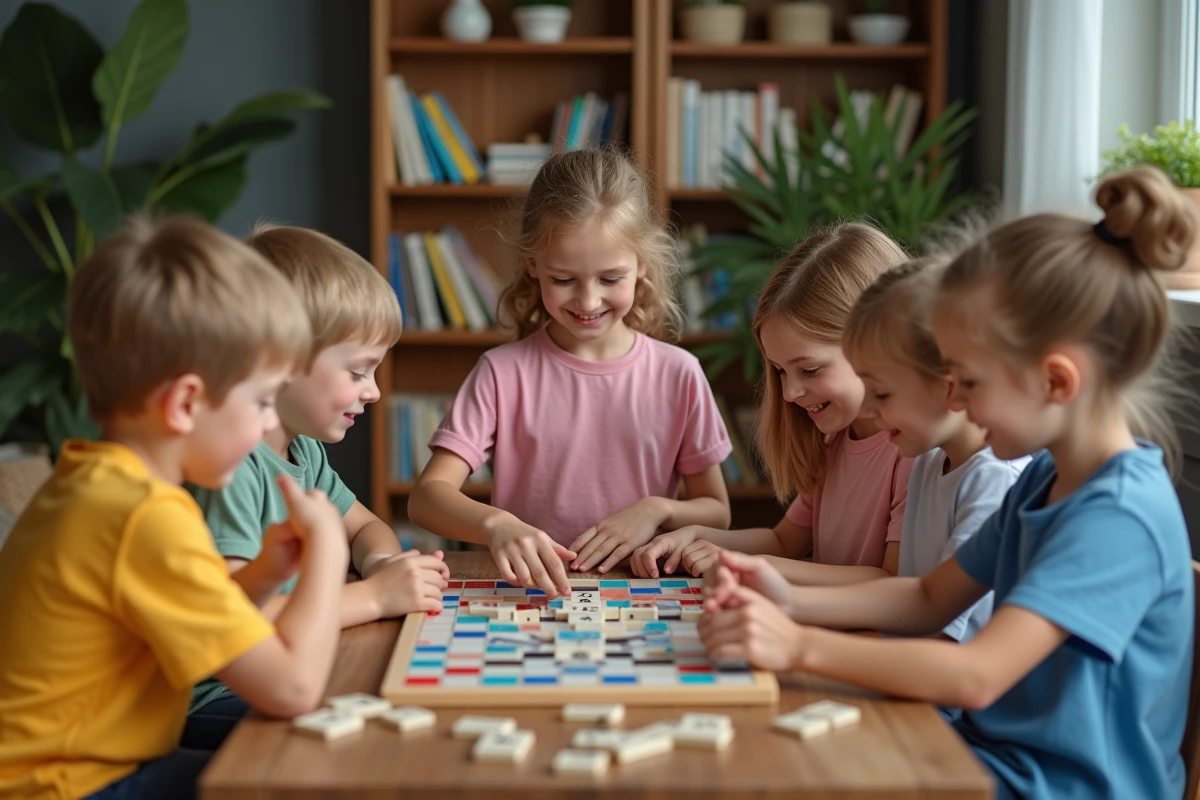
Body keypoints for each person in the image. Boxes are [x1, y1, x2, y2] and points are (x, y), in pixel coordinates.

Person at [700, 166, 1196, 800]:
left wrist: (798, 647)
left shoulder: (1116, 516)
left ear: (1056, 381)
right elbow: (929, 597)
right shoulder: (1044, 481)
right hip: (994, 756)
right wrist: (786, 597)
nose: (954, 396)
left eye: (970, 381)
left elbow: (978, 677)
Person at [0, 216, 349, 800]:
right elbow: (292, 690)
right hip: (70, 787)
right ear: (186, 402)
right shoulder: (144, 518)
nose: (270, 423)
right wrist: (329, 558)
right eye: (262, 401)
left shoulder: (102, 483)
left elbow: (208, 629)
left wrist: (267, 571)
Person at [408, 148, 732, 596]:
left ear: (642, 265)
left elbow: (717, 511)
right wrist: (496, 524)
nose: (588, 301)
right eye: (563, 280)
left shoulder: (680, 374)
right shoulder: (502, 372)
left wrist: (657, 510)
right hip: (530, 593)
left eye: (610, 279)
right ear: (533, 266)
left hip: (641, 593)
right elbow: (427, 497)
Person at [187, 225, 449, 736]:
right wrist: (374, 595)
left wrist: (383, 562)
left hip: (291, 661)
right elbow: (238, 624)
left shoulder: (302, 451)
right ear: (280, 364)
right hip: (217, 695)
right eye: (358, 372)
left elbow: (364, 526)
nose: (373, 392)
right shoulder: (233, 470)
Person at [632, 222, 912, 584]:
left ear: (875, 343)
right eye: (780, 371)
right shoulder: (835, 439)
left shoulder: (910, 450)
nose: (790, 393)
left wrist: (753, 567)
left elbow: (889, 581)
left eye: (809, 370)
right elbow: (784, 540)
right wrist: (697, 537)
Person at [842, 256, 1026, 640]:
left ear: (948, 386)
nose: (865, 409)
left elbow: (942, 640)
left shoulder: (993, 480)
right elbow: (914, 603)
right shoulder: (927, 459)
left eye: (881, 393)